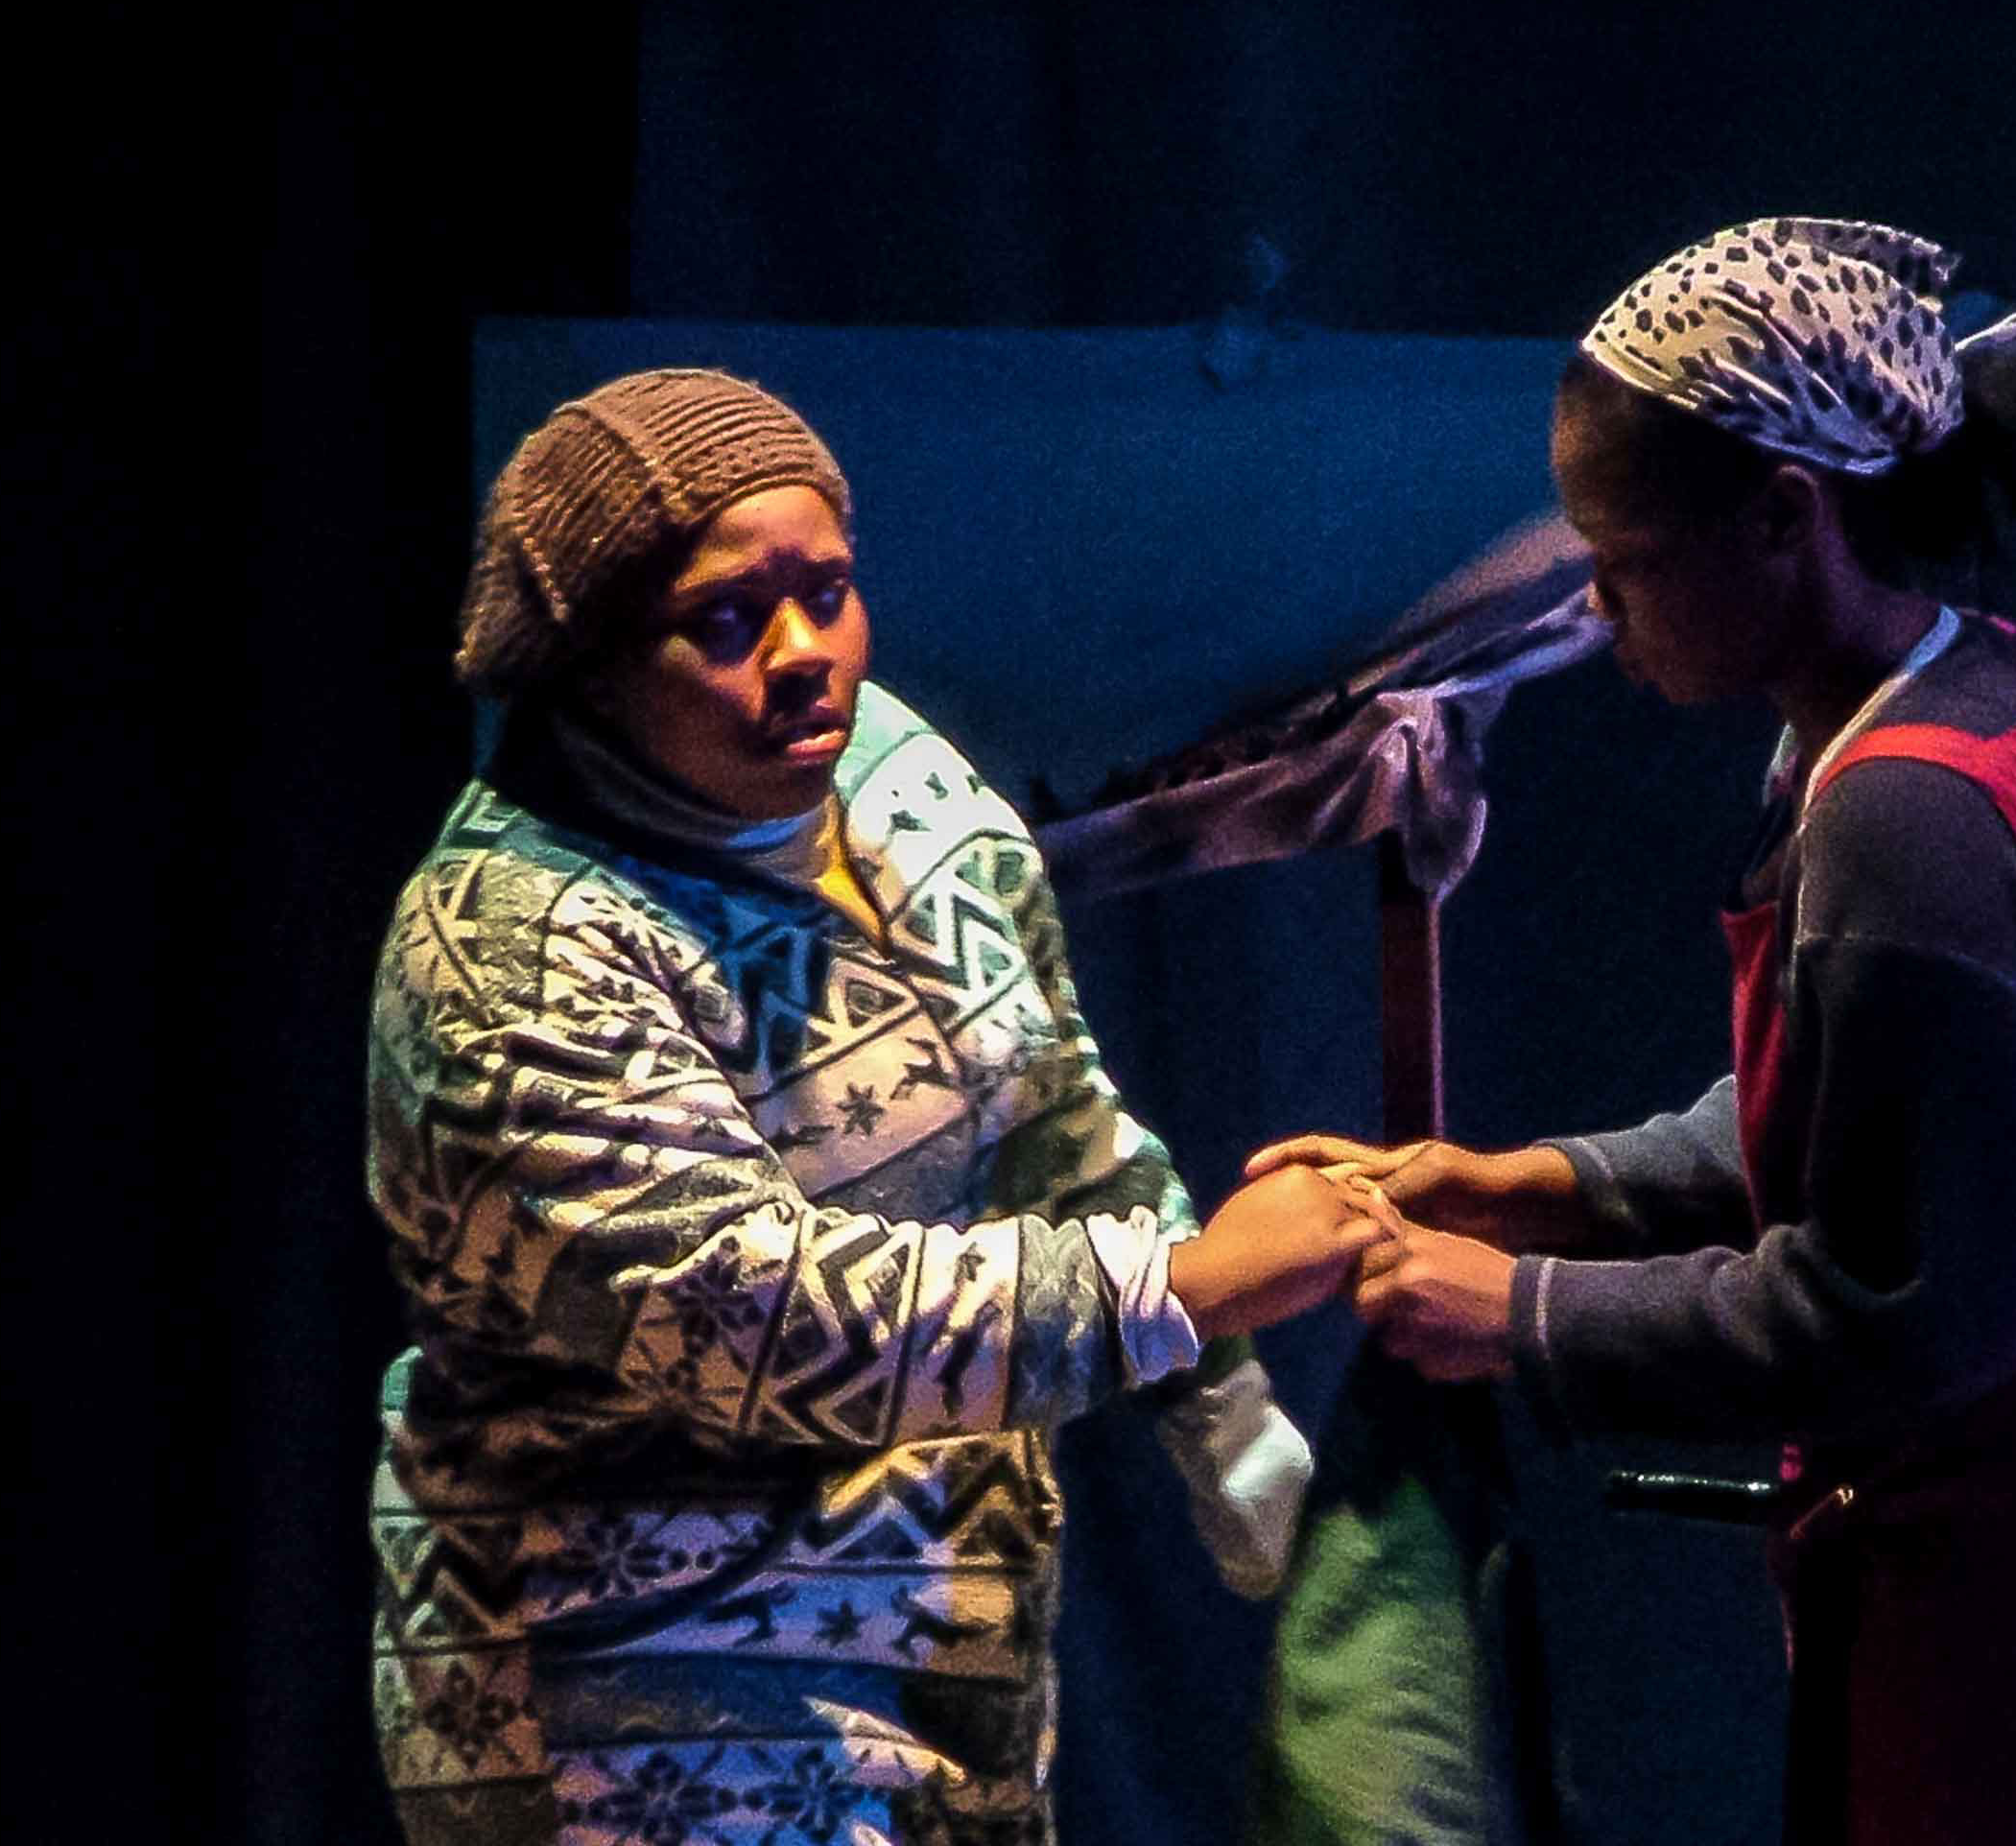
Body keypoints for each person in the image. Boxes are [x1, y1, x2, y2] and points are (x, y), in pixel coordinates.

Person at [1253, 220, 2016, 1844]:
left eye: (1627, 559)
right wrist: (1542, 1185)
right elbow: (1864, 1113)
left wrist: (1530, 1314)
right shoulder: (1959, 688)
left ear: (1785, 520)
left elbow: (1916, 1306)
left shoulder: (1907, 814)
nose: (1598, 605)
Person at [368, 368, 1387, 1846]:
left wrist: (1223, 1417)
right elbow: (743, 1312)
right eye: (723, 618)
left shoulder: (898, 781)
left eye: (830, 592)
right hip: (638, 1713)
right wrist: (1183, 1285)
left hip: (932, 1689)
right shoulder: (511, 945)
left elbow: (1051, 1105)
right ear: (589, 663)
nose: (804, 656)